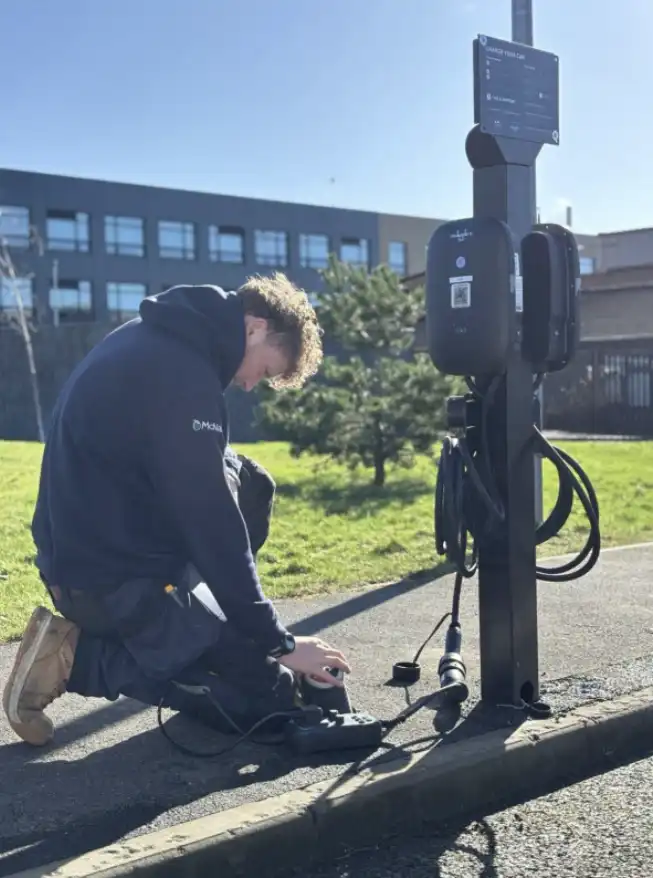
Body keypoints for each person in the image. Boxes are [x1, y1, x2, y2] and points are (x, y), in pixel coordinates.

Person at [2, 275, 352, 748]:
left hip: (111, 547)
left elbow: (215, 500)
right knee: (263, 704)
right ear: (254, 327)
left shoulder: (165, 341)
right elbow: (213, 526)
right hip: (104, 578)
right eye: (264, 371)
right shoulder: (181, 377)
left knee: (250, 482)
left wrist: (250, 627)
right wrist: (281, 644)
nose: (250, 385)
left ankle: (202, 625)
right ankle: (76, 657)